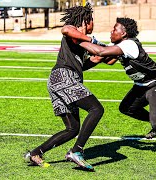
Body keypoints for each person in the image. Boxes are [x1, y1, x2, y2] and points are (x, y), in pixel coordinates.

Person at [77, 17, 156, 174]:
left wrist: (80, 39)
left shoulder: (129, 44)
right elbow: (102, 59)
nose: (111, 31)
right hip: (142, 85)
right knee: (127, 108)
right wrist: (76, 66)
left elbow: (100, 51)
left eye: (115, 29)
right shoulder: (120, 45)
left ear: (124, 33)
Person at [24, 3, 105, 171]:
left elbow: (89, 62)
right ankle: (77, 151)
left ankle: (35, 153)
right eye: (92, 21)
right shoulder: (73, 31)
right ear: (86, 20)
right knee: (96, 109)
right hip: (63, 78)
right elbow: (66, 30)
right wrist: (93, 40)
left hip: (59, 80)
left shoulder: (81, 41)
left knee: (72, 128)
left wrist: (110, 53)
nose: (93, 25)